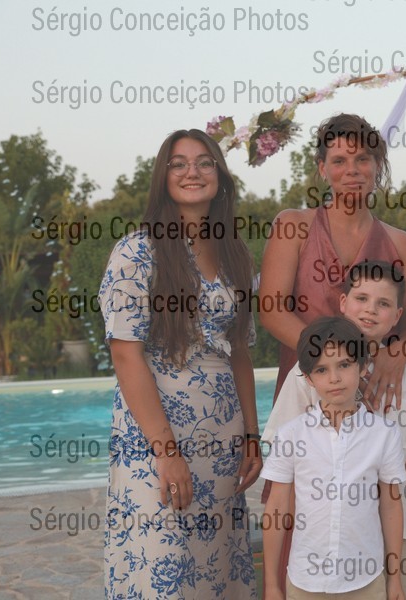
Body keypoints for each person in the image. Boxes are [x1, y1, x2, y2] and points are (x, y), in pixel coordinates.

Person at [100, 129, 260, 598]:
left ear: (220, 176)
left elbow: (241, 352)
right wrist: (167, 454)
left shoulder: (234, 252)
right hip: (155, 439)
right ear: (163, 177)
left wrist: (252, 436)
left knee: (214, 568)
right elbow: (125, 352)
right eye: (179, 163)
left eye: (204, 162)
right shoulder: (137, 250)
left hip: (222, 439)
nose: (193, 172)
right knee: (161, 564)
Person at [261, 260, 406, 599]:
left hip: (396, 532)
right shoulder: (307, 376)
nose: (370, 310)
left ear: (397, 315)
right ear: (343, 303)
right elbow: (285, 471)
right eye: (361, 298)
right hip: (323, 539)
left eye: (383, 303)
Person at [259, 113, 406, 407]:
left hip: (375, 394)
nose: (352, 170)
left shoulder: (402, 244)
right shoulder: (293, 226)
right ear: (323, 168)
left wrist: (398, 352)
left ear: (377, 164)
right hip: (305, 387)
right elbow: (272, 311)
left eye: (362, 159)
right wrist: (336, 359)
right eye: (340, 161)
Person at [261, 317, 406, 600]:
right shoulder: (291, 435)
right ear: (308, 378)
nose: (334, 378)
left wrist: (394, 579)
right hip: (305, 582)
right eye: (321, 369)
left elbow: (391, 506)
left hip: (367, 581)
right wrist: (271, 584)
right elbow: (276, 507)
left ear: (362, 366)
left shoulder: (384, 434)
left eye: (344, 364)